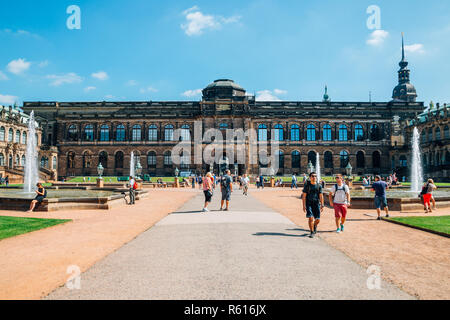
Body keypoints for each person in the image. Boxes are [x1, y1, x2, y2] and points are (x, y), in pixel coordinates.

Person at [302, 172, 324, 238]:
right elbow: (304, 196)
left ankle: (314, 225)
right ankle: (312, 232)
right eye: (313, 176)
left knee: (318, 220)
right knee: (310, 218)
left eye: (315, 176)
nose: (314, 177)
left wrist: (322, 204)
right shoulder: (307, 186)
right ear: (310, 177)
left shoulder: (319, 186)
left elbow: (321, 196)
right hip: (309, 203)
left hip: (316, 204)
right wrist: (303, 206)